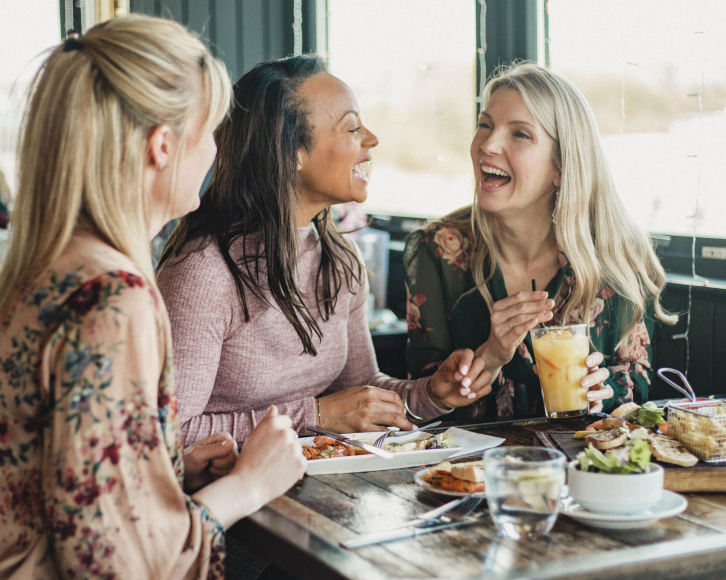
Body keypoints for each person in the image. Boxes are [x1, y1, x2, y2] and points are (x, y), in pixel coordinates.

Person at [0, 16, 307, 580]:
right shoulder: (114, 296)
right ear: (163, 145)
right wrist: (249, 485)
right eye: (211, 132)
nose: (217, 152)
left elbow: (58, 474)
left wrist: (163, 466)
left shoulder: (42, 268)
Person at [156, 55, 491, 447]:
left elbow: (361, 393)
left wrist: (432, 395)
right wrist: (314, 415)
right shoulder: (204, 273)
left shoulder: (340, 259)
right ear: (292, 151)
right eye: (352, 127)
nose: (372, 139)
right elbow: (167, 434)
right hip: (230, 499)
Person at [404, 62, 677, 424]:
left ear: (561, 167)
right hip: (469, 474)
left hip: (583, 469)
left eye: (520, 134)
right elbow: (422, 399)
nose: (487, 144)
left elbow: (639, 376)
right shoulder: (437, 249)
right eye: (485, 125)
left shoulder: (618, 254)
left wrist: (605, 387)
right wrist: (492, 354)